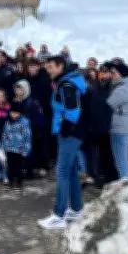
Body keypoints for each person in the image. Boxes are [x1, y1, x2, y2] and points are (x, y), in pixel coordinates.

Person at [38, 55, 88, 230]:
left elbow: (73, 110)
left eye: (51, 67)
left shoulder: (66, 84)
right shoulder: (67, 81)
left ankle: (58, 215)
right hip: (70, 132)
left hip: (70, 134)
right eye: (47, 67)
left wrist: (66, 128)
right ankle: (76, 208)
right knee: (72, 170)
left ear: (60, 66)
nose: (48, 70)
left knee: (62, 171)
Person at [106, 62, 128, 179]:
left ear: (121, 74)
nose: (112, 75)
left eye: (114, 73)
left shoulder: (122, 89)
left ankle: (125, 188)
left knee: (121, 164)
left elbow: (108, 105)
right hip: (127, 126)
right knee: (124, 162)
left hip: (120, 128)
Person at [12, 79, 45, 179]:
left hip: (29, 131)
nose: (18, 92)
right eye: (17, 89)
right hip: (18, 131)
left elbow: (36, 119)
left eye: (20, 89)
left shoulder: (32, 102)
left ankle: (29, 171)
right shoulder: (16, 101)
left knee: (29, 152)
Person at [1, 101, 32, 189]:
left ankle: (19, 181)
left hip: (20, 149)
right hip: (9, 148)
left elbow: (27, 137)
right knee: (10, 165)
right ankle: (11, 180)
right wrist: (4, 145)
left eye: (16, 113)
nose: (13, 115)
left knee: (19, 166)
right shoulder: (8, 121)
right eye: (12, 112)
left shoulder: (24, 122)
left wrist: (26, 150)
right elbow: (4, 134)